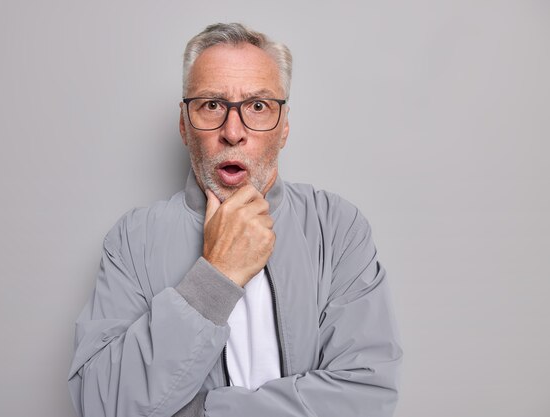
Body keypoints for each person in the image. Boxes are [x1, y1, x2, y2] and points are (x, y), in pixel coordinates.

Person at [68, 23, 402, 417]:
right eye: (211, 104)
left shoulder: (338, 227)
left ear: (284, 127)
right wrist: (215, 278)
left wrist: (203, 411)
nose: (233, 131)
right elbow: (100, 403)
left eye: (258, 106)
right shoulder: (132, 240)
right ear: (183, 124)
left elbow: (366, 394)